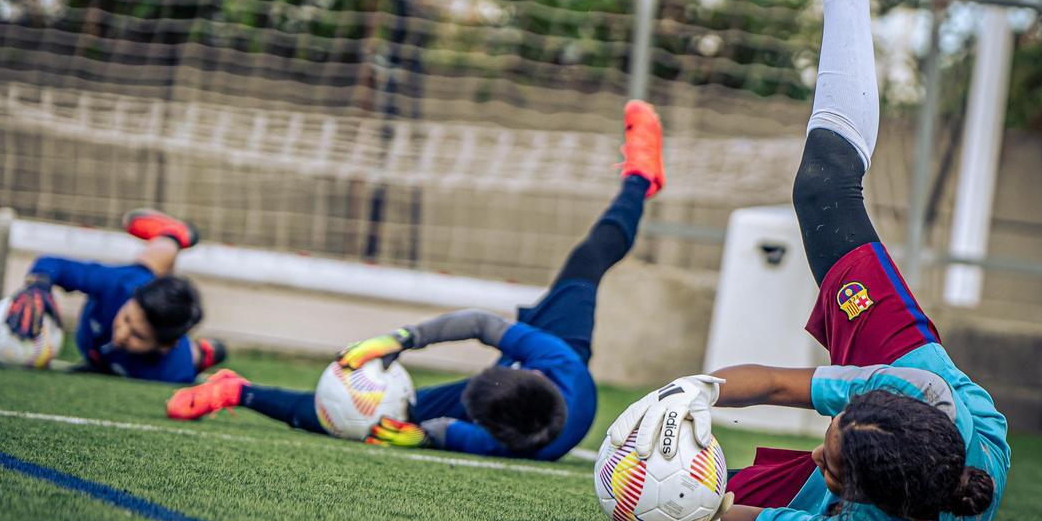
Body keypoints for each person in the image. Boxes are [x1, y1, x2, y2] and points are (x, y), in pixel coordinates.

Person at [608, 0, 1009, 521]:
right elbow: (779, 385)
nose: (820, 452)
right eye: (832, 438)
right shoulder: (918, 389)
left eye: (828, 464)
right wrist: (689, 392)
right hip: (935, 392)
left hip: (894, 473)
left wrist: (677, 512)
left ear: (852, 498)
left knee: (713, 490)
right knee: (823, 193)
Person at [165, 100, 667, 461]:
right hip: (565, 341)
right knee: (589, 257)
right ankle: (641, 177)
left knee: (362, 421)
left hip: (524, 411)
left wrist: (417, 434)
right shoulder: (556, 360)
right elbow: (478, 323)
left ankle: (237, 391)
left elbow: (443, 430)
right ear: (526, 369)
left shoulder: (501, 443)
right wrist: (401, 340)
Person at [6, 209, 226, 382]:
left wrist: (209, 355)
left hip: (169, 348)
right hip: (138, 278)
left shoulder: (172, 370)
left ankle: (206, 350)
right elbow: (51, 264)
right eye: (127, 319)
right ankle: (174, 235)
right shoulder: (120, 287)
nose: (121, 333)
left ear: (164, 346)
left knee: (201, 355)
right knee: (147, 269)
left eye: (137, 336)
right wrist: (38, 286)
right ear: (132, 301)